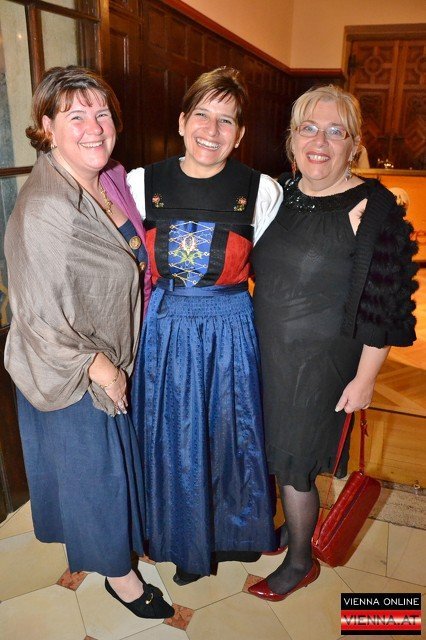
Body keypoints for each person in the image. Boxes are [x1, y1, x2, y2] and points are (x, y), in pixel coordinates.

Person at [4, 66, 174, 619]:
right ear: (47, 127)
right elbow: (39, 317)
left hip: (107, 350)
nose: (94, 127)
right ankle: (119, 579)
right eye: (75, 116)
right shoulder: (47, 206)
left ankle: (124, 547)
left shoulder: (107, 180)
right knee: (96, 480)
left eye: (102, 113)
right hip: (70, 370)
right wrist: (105, 370)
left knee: (112, 470)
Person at [249, 85, 418, 601]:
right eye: (308, 128)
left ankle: (301, 562)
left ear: (354, 145)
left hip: (321, 362)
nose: (319, 142)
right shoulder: (275, 192)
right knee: (275, 450)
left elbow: (387, 305)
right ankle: (290, 531)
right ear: (291, 139)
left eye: (335, 131)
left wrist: (366, 378)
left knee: (297, 460)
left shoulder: (376, 207)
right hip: (265, 351)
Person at [128, 66, 282, 583]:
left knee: (229, 434)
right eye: (201, 115)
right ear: (181, 121)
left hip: (230, 329)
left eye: (226, 120)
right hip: (166, 327)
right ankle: (177, 536)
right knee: (172, 436)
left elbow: (274, 269)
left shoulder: (261, 190)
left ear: (240, 134)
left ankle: (234, 534)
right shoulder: (140, 183)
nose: (211, 131)